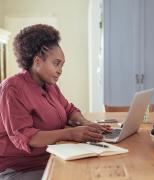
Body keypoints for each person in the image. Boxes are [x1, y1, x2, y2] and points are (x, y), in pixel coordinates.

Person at [0, 24, 111, 180]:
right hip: (20, 169)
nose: (60, 70)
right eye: (56, 63)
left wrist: (84, 122)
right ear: (37, 61)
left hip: (52, 157)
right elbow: (27, 137)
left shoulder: (50, 87)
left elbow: (69, 110)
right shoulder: (12, 89)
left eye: (62, 65)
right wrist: (71, 133)